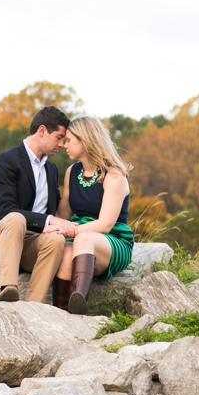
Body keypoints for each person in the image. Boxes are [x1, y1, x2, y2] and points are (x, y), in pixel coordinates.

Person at [0, 106, 78, 303]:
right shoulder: (6, 161)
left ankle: (33, 305)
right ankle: (9, 288)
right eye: (59, 137)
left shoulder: (51, 170)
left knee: (55, 240)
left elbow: (55, 212)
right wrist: (50, 220)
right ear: (42, 130)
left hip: (31, 245)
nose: (61, 144)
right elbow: (6, 211)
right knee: (15, 218)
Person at [53, 115, 133, 314]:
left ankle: (79, 304)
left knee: (84, 240)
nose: (64, 145)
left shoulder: (113, 175)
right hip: (80, 236)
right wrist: (52, 227)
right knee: (65, 254)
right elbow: (63, 214)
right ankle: (62, 314)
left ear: (85, 141)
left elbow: (105, 224)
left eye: (70, 140)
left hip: (112, 240)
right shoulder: (72, 172)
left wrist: (69, 231)